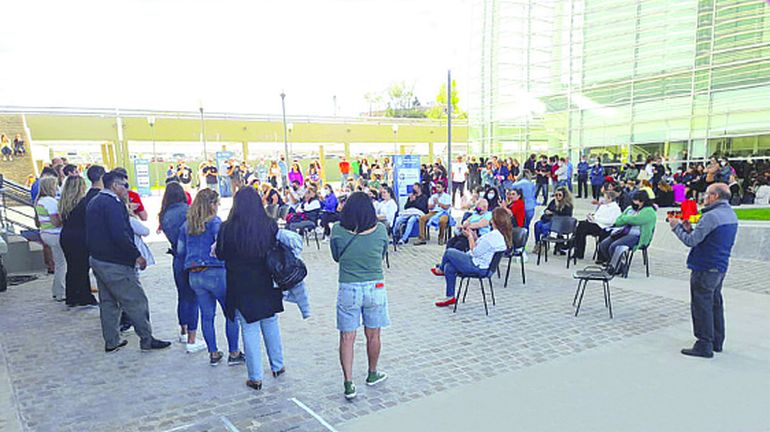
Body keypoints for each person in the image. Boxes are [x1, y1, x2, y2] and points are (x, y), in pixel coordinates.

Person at [86, 170, 171, 352]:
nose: (127, 189)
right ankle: (146, 339)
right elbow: (120, 234)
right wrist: (136, 255)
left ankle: (112, 340)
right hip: (116, 262)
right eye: (125, 185)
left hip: (99, 259)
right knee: (136, 301)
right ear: (114, 186)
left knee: (108, 303)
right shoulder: (113, 204)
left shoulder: (94, 201)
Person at [216, 187, 285, 390]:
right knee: (270, 322)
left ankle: (255, 377)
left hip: (240, 283)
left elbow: (221, 253)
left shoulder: (227, 228)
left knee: (249, 327)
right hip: (266, 280)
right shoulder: (269, 225)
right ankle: (278, 365)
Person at [330, 192, 390, 400]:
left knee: (347, 337)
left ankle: (348, 384)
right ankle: (372, 373)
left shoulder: (337, 230)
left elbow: (336, 256)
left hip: (348, 286)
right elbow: (382, 253)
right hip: (375, 286)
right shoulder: (380, 230)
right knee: (373, 335)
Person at [669, 183, 738, 358]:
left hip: (705, 266)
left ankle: (704, 344)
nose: (704, 197)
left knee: (701, 305)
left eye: (706, 194)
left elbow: (691, 241)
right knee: (715, 303)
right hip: (720, 265)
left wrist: (676, 227)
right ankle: (717, 341)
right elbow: (706, 237)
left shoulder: (711, 216)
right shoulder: (730, 213)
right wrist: (689, 229)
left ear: (715, 196)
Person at [178, 189, 244, 364]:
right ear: (212, 204)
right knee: (230, 313)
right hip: (216, 272)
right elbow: (222, 247)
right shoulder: (215, 222)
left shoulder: (187, 225)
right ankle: (234, 352)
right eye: (217, 203)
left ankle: (213, 353)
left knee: (207, 316)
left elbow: (180, 251)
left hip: (194, 274)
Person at [432, 207, 512, 307]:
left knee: (449, 252)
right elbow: (483, 248)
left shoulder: (492, 236)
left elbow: (475, 252)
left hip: (478, 266)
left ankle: (440, 269)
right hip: (485, 265)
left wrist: (469, 237)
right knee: (449, 267)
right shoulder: (500, 235)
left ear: (494, 221)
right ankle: (450, 297)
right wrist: (475, 238)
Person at [159, 182, 202, 351]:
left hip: (177, 257)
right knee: (193, 298)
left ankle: (183, 331)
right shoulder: (188, 211)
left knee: (182, 295)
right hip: (190, 258)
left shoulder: (164, 215)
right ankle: (192, 338)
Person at [59, 166, 103, 307]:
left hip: (66, 236)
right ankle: (84, 296)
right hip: (80, 237)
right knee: (83, 268)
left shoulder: (64, 203)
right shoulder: (83, 203)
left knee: (72, 267)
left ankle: (71, 296)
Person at [596, 190, 656, 264]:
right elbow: (618, 221)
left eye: (637, 200)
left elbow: (636, 220)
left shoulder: (649, 211)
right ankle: (612, 263)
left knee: (615, 246)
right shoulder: (630, 208)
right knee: (603, 244)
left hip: (637, 235)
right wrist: (628, 219)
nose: (635, 202)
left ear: (643, 201)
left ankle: (619, 266)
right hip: (623, 232)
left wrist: (626, 219)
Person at [35, 177, 66, 301]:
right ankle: (60, 292)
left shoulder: (40, 201)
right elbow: (55, 222)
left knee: (59, 263)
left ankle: (56, 290)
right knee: (61, 264)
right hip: (54, 234)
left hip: (45, 233)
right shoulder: (50, 202)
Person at [573, 191, 622, 260]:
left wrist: (596, 219)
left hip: (604, 226)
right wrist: (592, 217)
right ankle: (578, 251)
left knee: (583, 227)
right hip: (596, 223)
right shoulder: (603, 206)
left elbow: (611, 221)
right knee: (581, 225)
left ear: (610, 199)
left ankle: (579, 252)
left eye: (605, 198)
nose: (603, 199)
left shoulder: (615, 208)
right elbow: (597, 215)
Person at [532, 187, 574, 253]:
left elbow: (566, 216)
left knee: (544, 227)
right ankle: (538, 243)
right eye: (556, 195)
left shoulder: (568, 205)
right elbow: (547, 208)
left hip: (558, 222)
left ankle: (543, 243)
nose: (557, 197)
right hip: (548, 219)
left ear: (564, 196)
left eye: (560, 195)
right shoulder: (553, 202)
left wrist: (552, 213)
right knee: (537, 225)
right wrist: (546, 211)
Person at [414, 181, 452, 246]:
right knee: (422, 219)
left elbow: (446, 207)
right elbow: (429, 207)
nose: (437, 189)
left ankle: (441, 237)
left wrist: (438, 203)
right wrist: (434, 204)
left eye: (439, 187)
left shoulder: (447, 196)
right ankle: (422, 238)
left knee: (442, 221)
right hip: (434, 212)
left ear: (443, 188)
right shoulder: (433, 196)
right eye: (436, 187)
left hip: (444, 213)